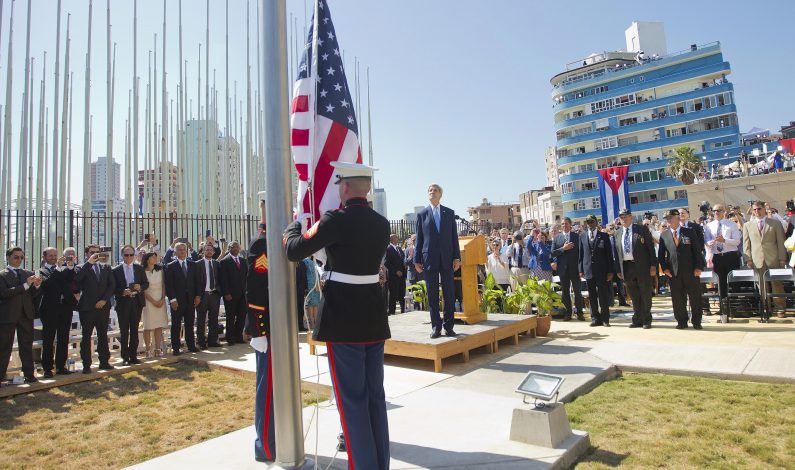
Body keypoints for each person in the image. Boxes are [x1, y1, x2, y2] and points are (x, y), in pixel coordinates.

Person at [285, 161, 391, 470]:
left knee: (352, 403)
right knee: (374, 400)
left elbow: (294, 249)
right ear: (367, 188)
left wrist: (295, 225)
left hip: (343, 322)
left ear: (344, 187)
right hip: (373, 319)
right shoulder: (382, 223)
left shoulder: (335, 220)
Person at [245, 198, 275, 463]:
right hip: (266, 326)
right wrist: (259, 329)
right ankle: (265, 445)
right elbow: (255, 292)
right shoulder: (262, 245)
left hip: (280, 325)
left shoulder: (277, 242)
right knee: (267, 389)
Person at [414, 183, 461, 338]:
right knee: (432, 295)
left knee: (449, 293)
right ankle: (436, 327)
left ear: (440, 194)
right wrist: (416, 260)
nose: (431, 192)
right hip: (429, 259)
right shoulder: (422, 214)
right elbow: (419, 239)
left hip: (447, 258)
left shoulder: (449, 213)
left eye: (434, 190)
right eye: (429, 190)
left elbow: (454, 238)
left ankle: (449, 326)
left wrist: (456, 257)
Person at [658, 209, 706, 329]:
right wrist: (665, 269)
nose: (668, 220)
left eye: (670, 217)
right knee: (678, 299)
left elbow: (697, 251)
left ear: (678, 218)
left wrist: (698, 267)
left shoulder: (689, 232)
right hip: (673, 272)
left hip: (691, 271)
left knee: (695, 297)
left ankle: (696, 321)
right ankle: (681, 321)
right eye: (667, 218)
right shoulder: (664, 234)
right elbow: (661, 254)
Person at [0, 247, 42, 383]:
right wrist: (25, 285)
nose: (19, 260)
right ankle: (1, 376)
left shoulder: (27, 274)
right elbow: (4, 293)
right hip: (8, 315)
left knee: (26, 346)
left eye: (21, 257)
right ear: (8, 257)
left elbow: (34, 296)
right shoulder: (2, 275)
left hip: (25, 314)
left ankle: (29, 374)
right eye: (16, 257)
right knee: (4, 347)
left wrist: (36, 286)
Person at [743, 201, 788, 320]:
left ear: (764, 209)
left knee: (777, 284)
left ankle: (780, 308)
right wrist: (748, 259)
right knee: (761, 286)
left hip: (774, 259)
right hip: (757, 259)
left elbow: (781, 242)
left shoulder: (775, 223)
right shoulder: (747, 225)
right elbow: (746, 245)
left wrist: (782, 259)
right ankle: (765, 308)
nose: (757, 211)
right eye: (754, 210)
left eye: (759, 209)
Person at [74, 245, 116, 373]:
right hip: (87, 308)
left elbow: (112, 285)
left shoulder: (106, 267)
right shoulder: (80, 267)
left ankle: (104, 361)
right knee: (86, 336)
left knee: (103, 335)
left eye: (98, 253)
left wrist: (104, 300)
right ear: (87, 254)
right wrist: (89, 263)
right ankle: (86, 364)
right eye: (93, 253)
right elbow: (77, 280)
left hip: (103, 307)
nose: (96, 255)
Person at [36, 247, 77, 377]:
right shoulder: (41, 271)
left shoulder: (63, 268)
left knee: (64, 338)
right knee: (48, 339)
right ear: (44, 257)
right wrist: (59, 269)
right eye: (50, 255)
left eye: (55, 255)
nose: (53, 257)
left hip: (65, 307)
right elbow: (47, 284)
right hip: (50, 309)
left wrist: (70, 266)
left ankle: (61, 366)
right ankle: (47, 368)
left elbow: (71, 280)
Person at [615, 209, 657, 328]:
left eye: (626, 216)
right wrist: (618, 269)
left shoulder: (641, 229)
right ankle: (637, 318)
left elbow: (650, 248)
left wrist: (653, 265)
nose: (623, 218)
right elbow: (616, 253)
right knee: (633, 295)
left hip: (642, 266)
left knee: (645, 293)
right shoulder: (617, 233)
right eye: (621, 217)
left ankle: (647, 319)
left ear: (631, 217)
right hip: (627, 267)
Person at [111, 245, 149, 365]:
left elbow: (146, 284)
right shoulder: (116, 270)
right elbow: (112, 288)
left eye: (131, 255)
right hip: (123, 303)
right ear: (122, 256)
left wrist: (139, 288)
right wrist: (122, 292)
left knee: (134, 330)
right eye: (126, 255)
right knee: (124, 331)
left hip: (136, 302)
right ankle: (125, 357)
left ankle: (133, 356)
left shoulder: (139, 268)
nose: (129, 257)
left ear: (134, 255)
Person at [164, 242, 201, 355]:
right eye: (180, 249)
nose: (182, 251)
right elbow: (169, 285)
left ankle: (191, 345)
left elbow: (198, 282)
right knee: (176, 325)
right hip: (177, 301)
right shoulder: (170, 266)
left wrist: (198, 296)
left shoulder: (192, 264)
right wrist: (172, 300)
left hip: (190, 300)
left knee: (189, 324)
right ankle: (176, 347)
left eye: (184, 249)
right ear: (175, 252)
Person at [579, 215, 616, 327]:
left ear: (596, 222)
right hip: (588, 270)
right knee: (592, 295)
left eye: (592, 221)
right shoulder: (582, 236)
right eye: (588, 222)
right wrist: (581, 269)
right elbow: (581, 254)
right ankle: (595, 318)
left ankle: (605, 319)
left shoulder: (604, 236)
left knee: (603, 295)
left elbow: (609, 255)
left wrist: (610, 271)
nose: (590, 224)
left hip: (602, 270)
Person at [704, 204, 742, 300]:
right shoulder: (709, 226)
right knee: (721, 283)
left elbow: (737, 241)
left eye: (719, 210)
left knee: (734, 282)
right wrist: (709, 243)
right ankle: (724, 306)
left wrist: (724, 240)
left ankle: (735, 306)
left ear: (724, 211)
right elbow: (706, 240)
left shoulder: (731, 224)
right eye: (714, 211)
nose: (716, 212)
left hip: (731, 256)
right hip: (717, 256)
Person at [551, 217, 585, 321]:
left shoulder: (577, 237)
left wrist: (581, 269)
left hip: (575, 269)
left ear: (570, 225)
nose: (564, 225)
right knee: (565, 293)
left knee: (577, 292)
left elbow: (581, 254)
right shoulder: (557, 238)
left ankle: (580, 313)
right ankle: (568, 314)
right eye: (562, 224)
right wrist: (563, 249)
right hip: (563, 270)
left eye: (566, 223)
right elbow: (552, 253)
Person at [218, 241, 248, 345]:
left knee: (241, 316)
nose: (235, 248)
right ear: (229, 248)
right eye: (233, 247)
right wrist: (226, 293)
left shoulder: (243, 261)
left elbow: (246, 278)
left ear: (239, 249)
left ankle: (238, 336)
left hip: (243, 295)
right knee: (230, 317)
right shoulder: (225, 261)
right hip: (230, 295)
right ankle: (230, 338)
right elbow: (223, 279)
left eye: (237, 247)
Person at [194, 243, 222, 349]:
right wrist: (197, 295)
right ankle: (201, 342)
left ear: (214, 252)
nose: (209, 251)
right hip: (202, 295)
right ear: (203, 251)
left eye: (211, 250)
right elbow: (195, 281)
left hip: (214, 294)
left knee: (214, 319)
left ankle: (212, 340)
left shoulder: (216, 264)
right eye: (207, 250)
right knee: (201, 319)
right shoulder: (197, 264)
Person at [141, 252, 168, 358]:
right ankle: (148, 350)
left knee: (158, 325)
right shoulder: (142, 271)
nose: (155, 258)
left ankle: (157, 348)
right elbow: (143, 290)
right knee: (148, 326)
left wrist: (162, 299)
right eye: (152, 257)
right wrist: (153, 301)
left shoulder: (160, 270)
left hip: (160, 299)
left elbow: (163, 285)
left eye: (155, 257)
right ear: (147, 259)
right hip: (148, 301)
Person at [384, 234, 406, 315]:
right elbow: (386, 262)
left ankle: (403, 310)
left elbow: (402, 259)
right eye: (396, 237)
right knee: (393, 295)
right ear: (392, 239)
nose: (398, 238)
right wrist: (395, 271)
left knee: (402, 294)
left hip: (402, 275)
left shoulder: (399, 248)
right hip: (393, 276)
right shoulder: (388, 249)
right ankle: (392, 312)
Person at [302, 258, 321, 329]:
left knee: (314, 305)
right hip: (312, 285)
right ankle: (313, 324)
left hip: (314, 284)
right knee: (312, 305)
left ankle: (315, 324)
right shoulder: (306, 261)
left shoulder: (311, 261)